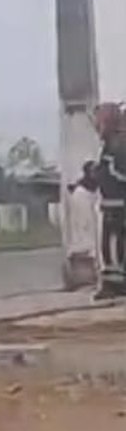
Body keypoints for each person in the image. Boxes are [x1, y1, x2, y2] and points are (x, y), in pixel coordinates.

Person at [95, 104, 126, 300]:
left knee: (114, 245)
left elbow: (120, 172)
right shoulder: (112, 143)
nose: (97, 125)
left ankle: (116, 284)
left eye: (99, 120)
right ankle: (113, 283)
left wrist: (107, 172)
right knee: (110, 245)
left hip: (118, 204)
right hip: (110, 203)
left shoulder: (118, 144)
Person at [65, 160, 100, 290]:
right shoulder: (81, 192)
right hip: (85, 228)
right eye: (94, 171)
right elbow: (83, 218)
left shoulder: (94, 189)